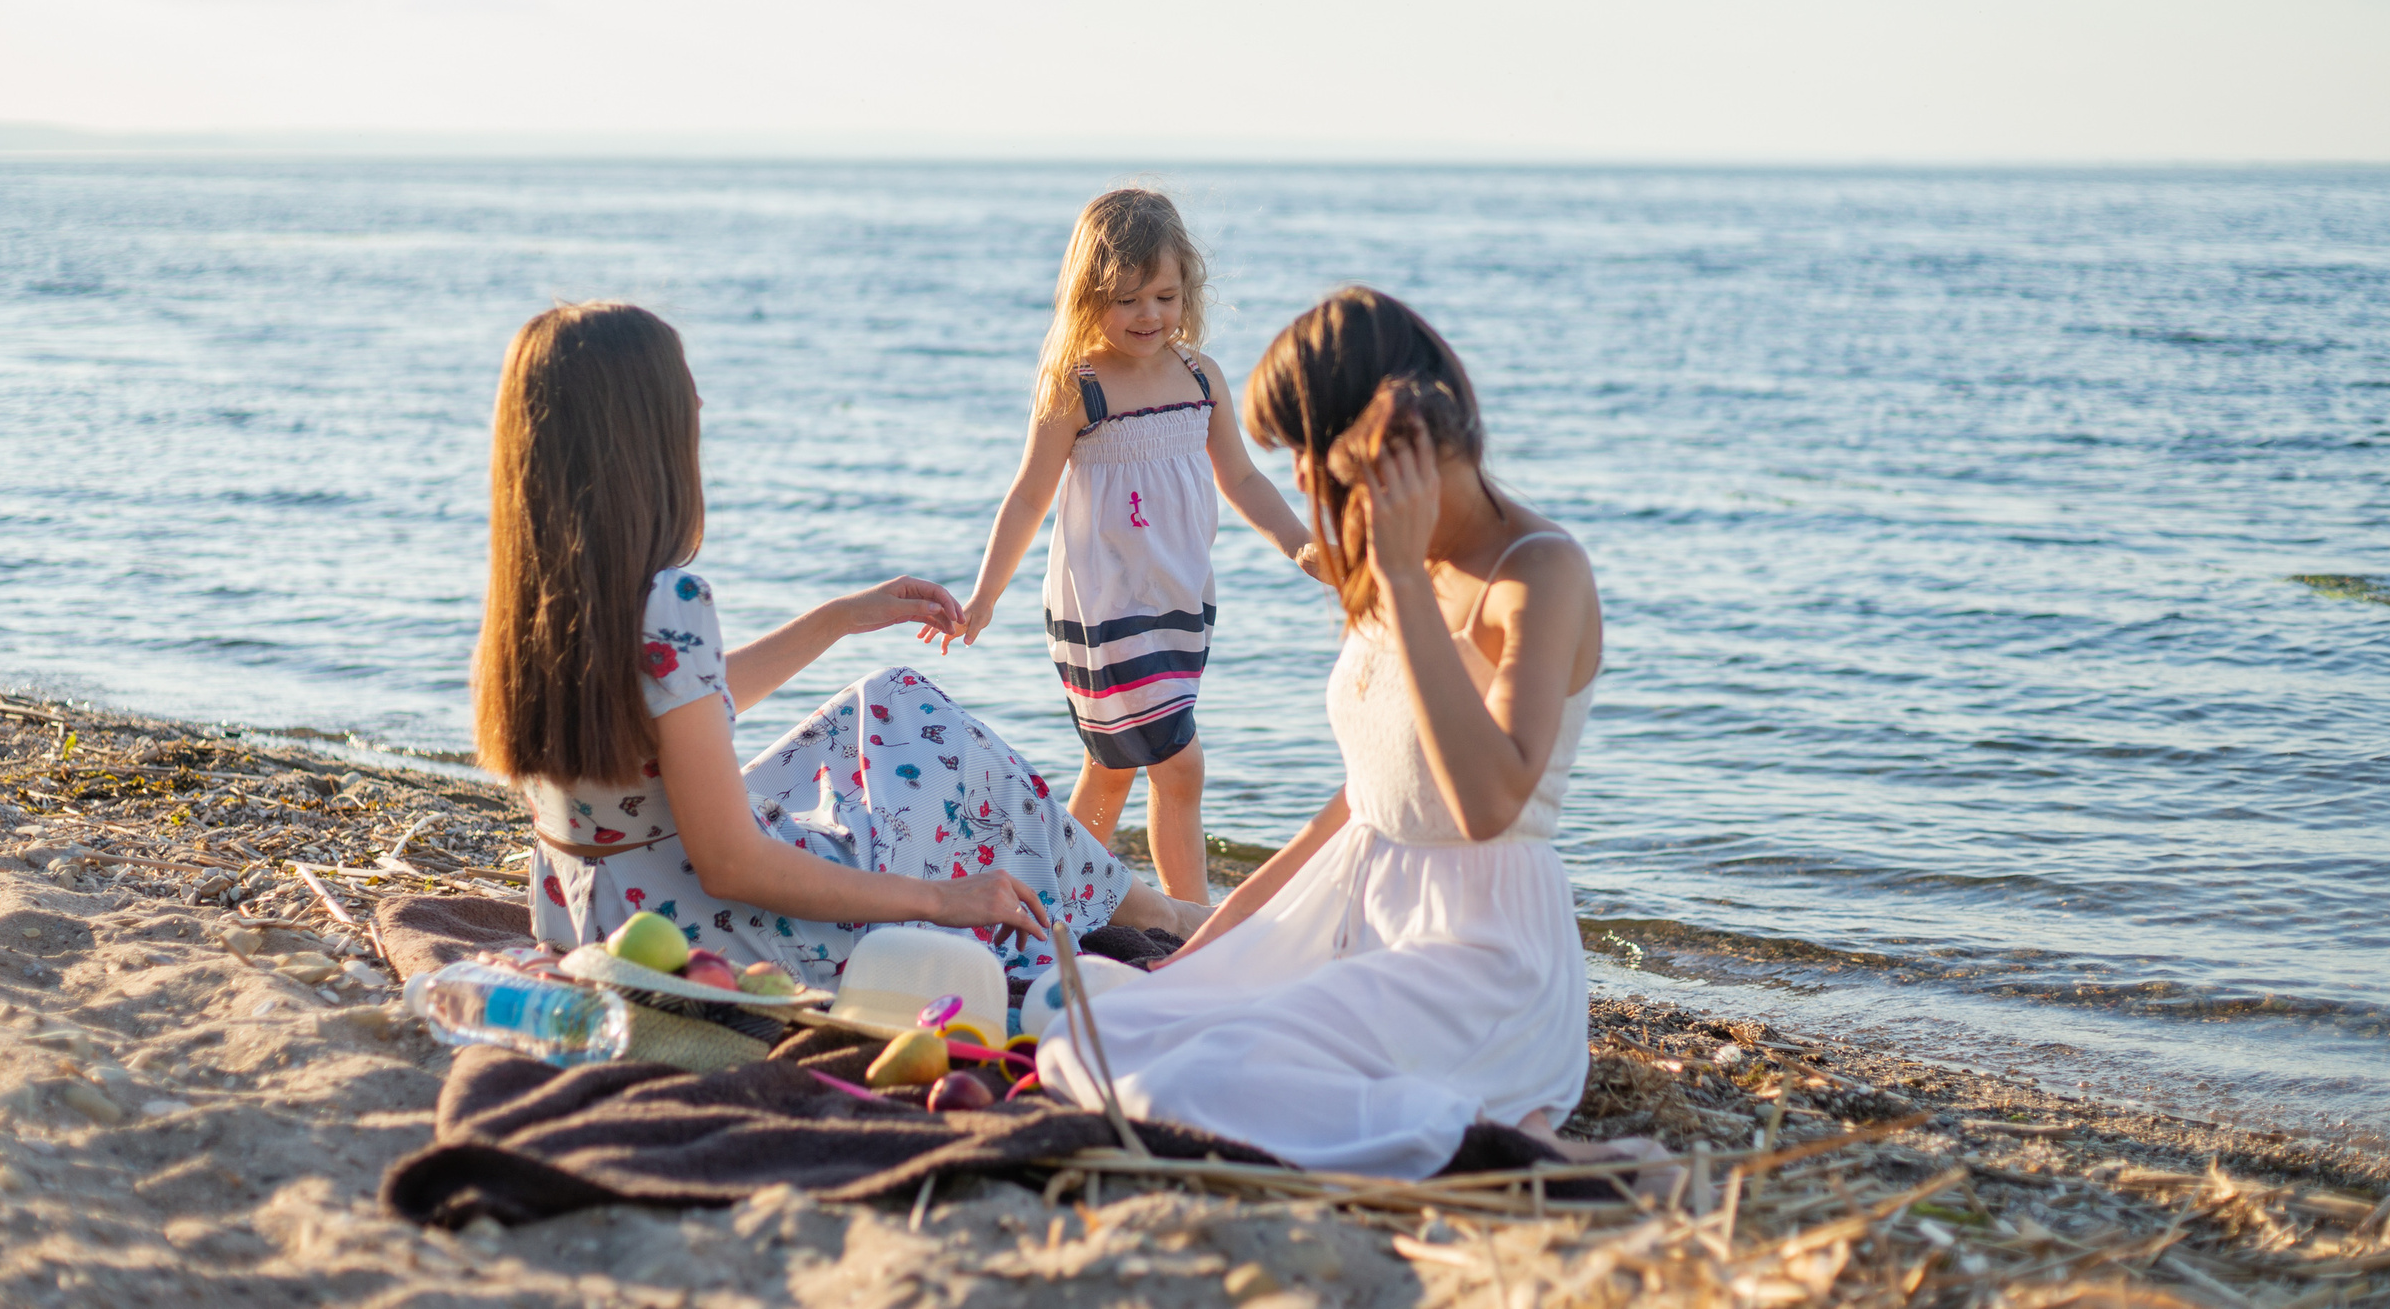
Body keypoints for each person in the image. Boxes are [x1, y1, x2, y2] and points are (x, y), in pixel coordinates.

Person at [1037, 287, 1666, 1185]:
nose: (1297, 480)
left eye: (1304, 450)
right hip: (1353, 909)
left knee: (1204, 1077)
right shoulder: (1383, 563)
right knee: (1097, 1036)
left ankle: (1536, 1149)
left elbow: (1489, 805)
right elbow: (1358, 806)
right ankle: (1483, 1123)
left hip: (1480, 953)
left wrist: (1404, 579)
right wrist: (1200, 952)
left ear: (1376, 439)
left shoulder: (1538, 572)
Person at [472, 302, 1206, 989]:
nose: (698, 408)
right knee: (935, 730)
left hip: (591, 906)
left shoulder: (543, 602)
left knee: (882, 699)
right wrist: (944, 899)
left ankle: (1139, 903)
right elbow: (732, 864)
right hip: (712, 933)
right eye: (682, 393)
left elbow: (663, 710)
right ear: (638, 434)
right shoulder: (672, 600)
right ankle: (1163, 917)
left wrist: (837, 619)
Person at [927, 188, 1316, 904]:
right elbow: (1027, 497)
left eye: (1165, 296)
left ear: (1187, 290)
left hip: (1178, 603)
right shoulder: (1079, 389)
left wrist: (1302, 545)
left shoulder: (1201, 378)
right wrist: (984, 596)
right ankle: (1194, 921)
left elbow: (1242, 476)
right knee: (1180, 765)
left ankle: (1049, 903)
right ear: (1089, 297)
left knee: (1111, 770)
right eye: (1128, 299)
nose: (1150, 316)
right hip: (1104, 611)